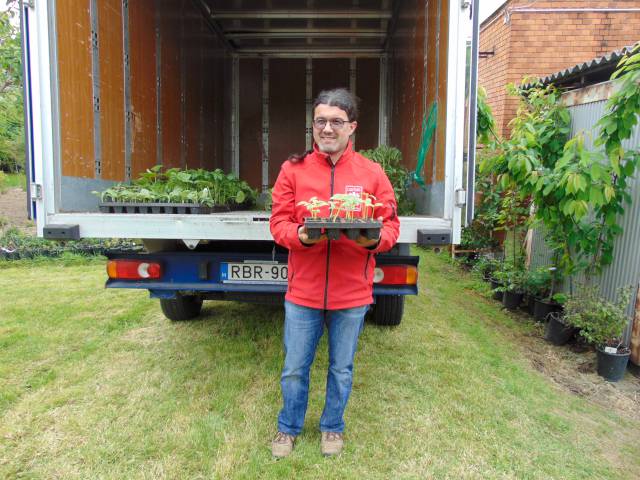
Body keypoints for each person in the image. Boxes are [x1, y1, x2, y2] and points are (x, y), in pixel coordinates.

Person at [269, 88, 400, 458]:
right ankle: (288, 428)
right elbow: (278, 223)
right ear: (313, 125)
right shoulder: (293, 170)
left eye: (336, 122)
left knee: (341, 368)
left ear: (352, 127)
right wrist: (300, 236)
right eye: (321, 121)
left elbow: (391, 225)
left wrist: (373, 241)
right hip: (304, 292)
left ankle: (332, 426)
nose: (327, 128)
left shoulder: (372, 174)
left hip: (351, 292)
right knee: (294, 368)